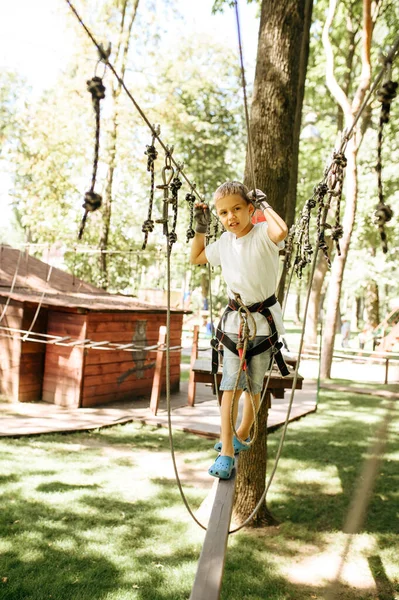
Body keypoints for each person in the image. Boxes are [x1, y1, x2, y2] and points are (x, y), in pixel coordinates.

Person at [190, 181, 288, 479]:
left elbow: (281, 231)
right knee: (230, 384)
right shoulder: (223, 244)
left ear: (249, 209)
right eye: (223, 213)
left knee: (254, 385)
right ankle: (227, 452)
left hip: (264, 321)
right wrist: (201, 229)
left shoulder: (263, 234)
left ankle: (242, 432)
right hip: (235, 320)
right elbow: (196, 258)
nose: (230, 217)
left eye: (236, 209)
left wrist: (264, 205)